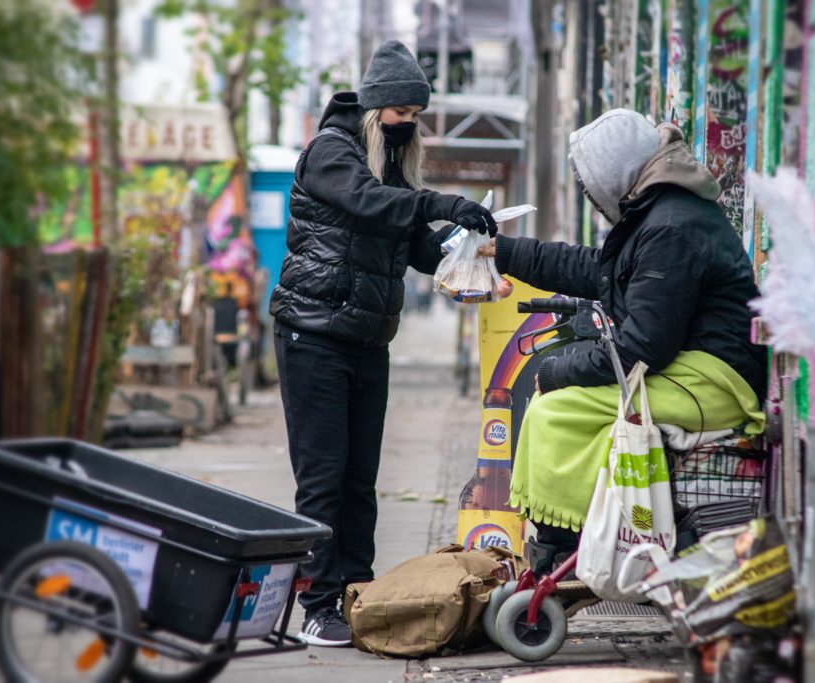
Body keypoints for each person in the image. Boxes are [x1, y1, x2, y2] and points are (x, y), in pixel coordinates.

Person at [269, 40, 496, 647]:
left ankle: (359, 596)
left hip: (368, 341)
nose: (409, 126)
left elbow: (414, 244)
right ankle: (318, 604)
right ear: (375, 109)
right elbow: (370, 206)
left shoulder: (390, 167)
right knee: (323, 479)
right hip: (313, 334)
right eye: (403, 114)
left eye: (416, 118)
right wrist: (442, 200)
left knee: (360, 481)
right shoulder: (331, 153)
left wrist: (461, 248)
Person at [478, 109, 768, 573]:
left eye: (590, 187)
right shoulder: (662, 212)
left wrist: (554, 374)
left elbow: (642, 347)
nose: (591, 199)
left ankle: (567, 543)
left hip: (716, 381)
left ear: (615, 176)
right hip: (695, 368)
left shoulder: (671, 226)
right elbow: (594, 270)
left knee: (556, 412)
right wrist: (505, 251)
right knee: (562, 400)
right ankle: (568, 540)